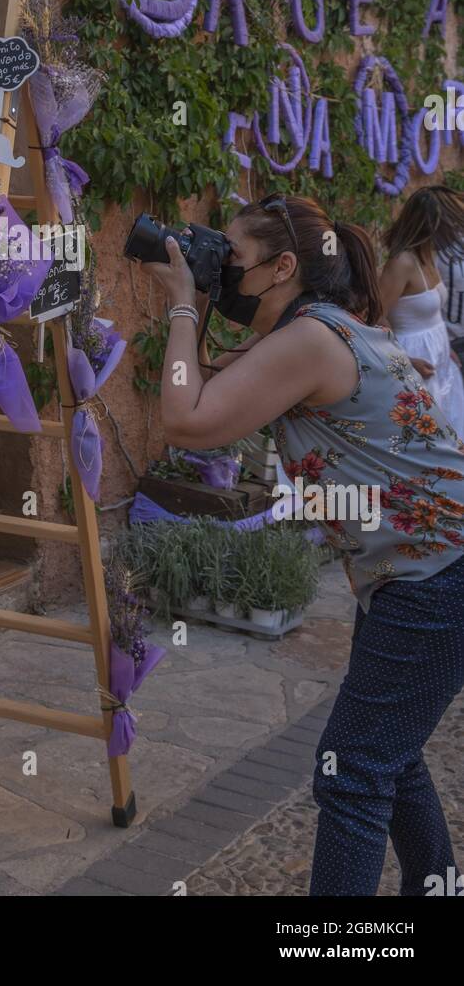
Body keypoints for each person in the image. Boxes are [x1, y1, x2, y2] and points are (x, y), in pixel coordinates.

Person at [143, 192, 464, 897]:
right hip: (420, 568)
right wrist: (193, 298)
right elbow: (197, 398)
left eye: (229, 259)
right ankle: (441, 886)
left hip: (436, 572)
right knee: (390, 748)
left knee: (351, 768)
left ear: (283, 266)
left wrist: (183, 307)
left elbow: (183, 420)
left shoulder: (313, 338)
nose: (218, 270)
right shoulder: (319, 330)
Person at [379, 184, 464, 438]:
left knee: (448, 435)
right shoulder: (402, 262)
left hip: (439, 359)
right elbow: (375, 316)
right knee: (421, 437)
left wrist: (446, 349)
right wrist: (403, 360)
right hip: (412, 360)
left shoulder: (430, 255)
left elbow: (431, 313)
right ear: (432, 224)